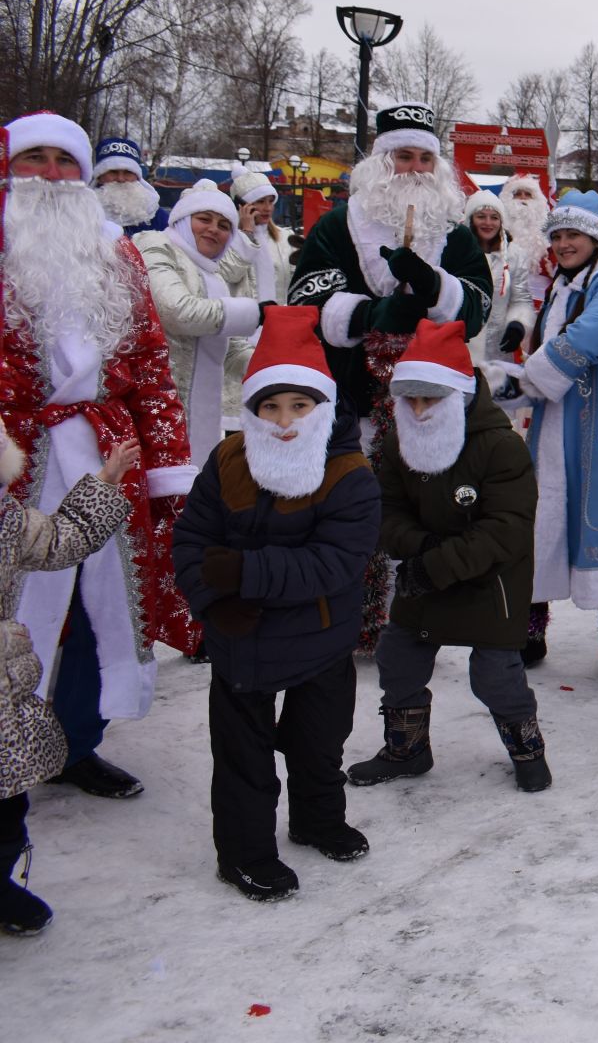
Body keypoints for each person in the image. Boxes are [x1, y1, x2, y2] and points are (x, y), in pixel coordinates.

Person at [2, 111, 197, 800]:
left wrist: (169, 464)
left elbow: (148, 362)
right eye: (36, 158)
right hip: (15, 460)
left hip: (105, 452)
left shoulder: (120, 256)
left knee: (98, 606)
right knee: (15, 611)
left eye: (65, 161)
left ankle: (77, 740)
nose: (50, 174)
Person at [172, 306, 381, 901]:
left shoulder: (349, 474)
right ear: (254, 408)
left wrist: (243, 571)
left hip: (320, 637)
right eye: (271, 406)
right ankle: (243, 854)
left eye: (300, 406)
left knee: (319, 742)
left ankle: (318, 820)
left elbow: (335, 562)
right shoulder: (228, 460)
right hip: (243, 639)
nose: (285, 422)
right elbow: (192, 540)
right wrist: (212, 602)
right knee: (243, 756)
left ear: (323, 407)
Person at [287, 103, 493, 642]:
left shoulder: (456, 234)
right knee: (352, 499)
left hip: (434, 394)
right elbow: (306, 298)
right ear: (382, 161)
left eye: (427, 157)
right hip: (353, 391)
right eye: (405, 156)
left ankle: (420, 610)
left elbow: (479, 306)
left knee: (429, 503)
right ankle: (353, 611)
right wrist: (372, 314)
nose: (418, 168)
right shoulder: (338, 225)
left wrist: (432, 288)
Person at [349, 321, 548, 793]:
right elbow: (387, 510)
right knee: (398, 657)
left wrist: (434, 562)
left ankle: (527, 748)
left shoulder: (501, 446)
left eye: (430, 399)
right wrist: (422, 553)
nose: (418, 411)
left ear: (457, 396)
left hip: (492, 580)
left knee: (495, 677)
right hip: (426, 572)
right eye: (410, 399)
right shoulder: (400, 441)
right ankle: (407, 749)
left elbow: (506, 531)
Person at [502, 191, 598, 677]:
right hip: (556, 421)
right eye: (558, 235)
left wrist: (526, 379)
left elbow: (592, 334)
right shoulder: (566, 285)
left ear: (596, 238)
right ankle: (529, 629)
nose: (564, 244)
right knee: (542, 521)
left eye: (574, 235)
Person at [0, 418, 134, 935]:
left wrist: (102, 484)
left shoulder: (7, 523)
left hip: (5, 695)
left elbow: (61, 539)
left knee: (7, 808)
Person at [135, 182, 265, 468]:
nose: (213, 229)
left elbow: (228, 351)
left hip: (198, 413)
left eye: (223, 224)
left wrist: (275, 363)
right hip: (154, 405)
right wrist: (256, 314)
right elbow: (175, 311)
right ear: (183, 219)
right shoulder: (156, 244)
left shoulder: (213, 272)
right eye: (204, 219)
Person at [463, 188, 535, 368]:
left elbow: (521, 299)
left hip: (498, 350)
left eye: (494, 217)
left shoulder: (514, 255)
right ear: (471, 219)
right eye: (481, 216)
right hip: (461, 346)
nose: (488, 223)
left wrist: (517, 323)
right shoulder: (458, 252)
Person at [230, 171, 294, 304]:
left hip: (278, 317)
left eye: (271, 201)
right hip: (246, 319)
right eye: (260, 201)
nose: (268, 208)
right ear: (242, 205)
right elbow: (232, 275)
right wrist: (247, 233)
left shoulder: (285, 238)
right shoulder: (230, 239)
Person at [497, 175, 554, 309]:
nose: (522, 198)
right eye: (517, 194)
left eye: (528, 194)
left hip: (540, 300)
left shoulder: (551, 231)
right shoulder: (496, 229)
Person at [89, 136, 162, 235]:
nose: (121, 179)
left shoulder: (155, 214)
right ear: (100, 176)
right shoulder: (82, 212)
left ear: (137, 177)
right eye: (113, 172)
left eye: (128, 172)